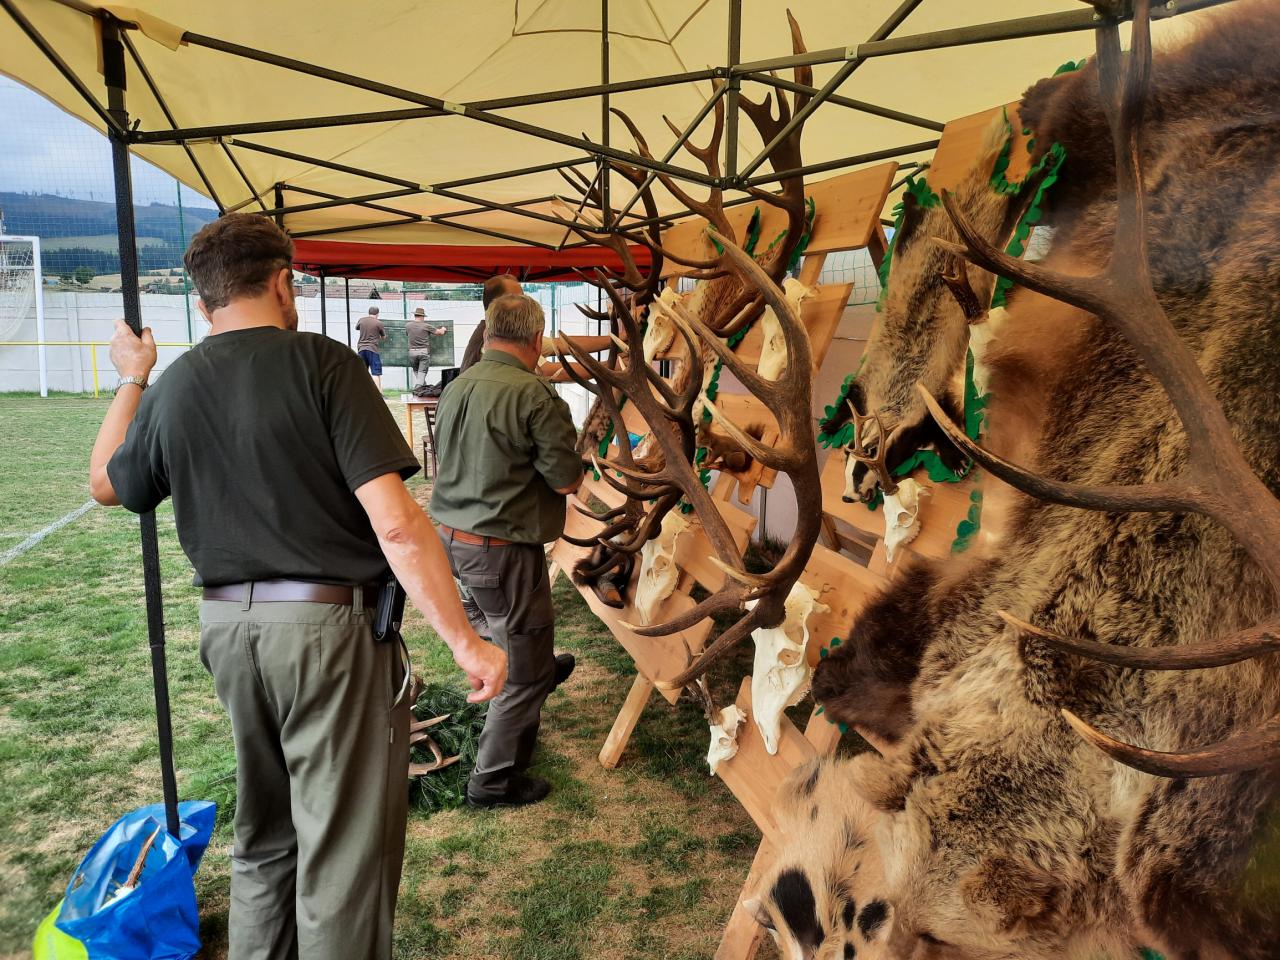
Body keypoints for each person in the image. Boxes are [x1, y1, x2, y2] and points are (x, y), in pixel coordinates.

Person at [87, 213, 507, 960]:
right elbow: (397, 525)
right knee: (343, 855)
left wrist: (132, 376)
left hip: (227, 631)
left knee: (264, 838)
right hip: (326, 637)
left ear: (205, 300)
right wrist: (466, 642)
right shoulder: (324, 365)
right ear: (283, 282)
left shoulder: (176, 383)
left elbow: (106, 483)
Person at [430, 293, 583, 809]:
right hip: (501, 552)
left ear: (490, 331)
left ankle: (531, 678)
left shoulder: (459, 383)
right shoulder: (536, 396)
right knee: (521, 674)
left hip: (453, 542)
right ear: (537, 340)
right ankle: (491, 782)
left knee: (500, 637)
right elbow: (565, 481)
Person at [459, 273, 520, 372]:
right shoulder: (495, 338)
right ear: (494, 304)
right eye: (515, 299)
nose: (525, 303)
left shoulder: (492, 330)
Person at [406, 306, 448, 391]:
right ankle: (418, 388)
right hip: (423, 352)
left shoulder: (408, 325)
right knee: (422, 372)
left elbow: (407, 334)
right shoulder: (426, 326)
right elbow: (440, 333)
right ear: (422, 316)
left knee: (417, 372)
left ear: (415, 315)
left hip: (412, 352)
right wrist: (443, 329)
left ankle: (422, 387)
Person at [354, 303, 386, 390]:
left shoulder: (361, 320)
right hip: (372, 349)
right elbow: (383, 337)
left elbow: (357, 328)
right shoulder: (379, 323)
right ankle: (378, 393)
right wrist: (378, 336)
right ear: (377, 314)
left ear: (369, 312)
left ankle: (361, 392)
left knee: (362, 373)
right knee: (376, 373)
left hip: (361, 349)